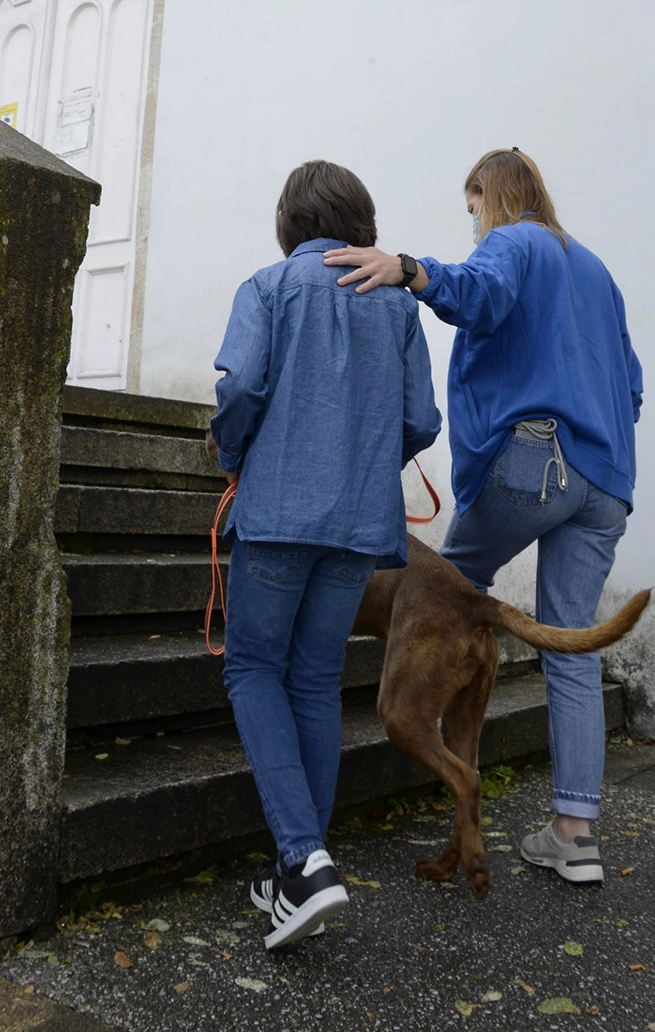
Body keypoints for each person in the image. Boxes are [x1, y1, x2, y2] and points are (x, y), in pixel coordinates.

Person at [324, 147, 642, 887]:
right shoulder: (597, 270)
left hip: (536, 459)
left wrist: (409, 268)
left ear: (490, 197)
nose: (472, 223)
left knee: (443, 597)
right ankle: (575, 837)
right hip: (605, 481)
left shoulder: (515, 241)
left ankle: (444, 775)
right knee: (569, 644)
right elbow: (631, 385)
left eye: (472, 208)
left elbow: (480, 292)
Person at [211, 160, 442, 947]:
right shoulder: (397, 305)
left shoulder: (268, 287)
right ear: (359, 220)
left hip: (278, 513)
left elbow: (240, 389)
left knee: (252, 670)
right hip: (359, 524)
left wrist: (234, 454)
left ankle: (304, 861)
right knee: (314, 681)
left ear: (290, 222)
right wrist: (368, 456)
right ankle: (296, 877)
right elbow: (422, 420)